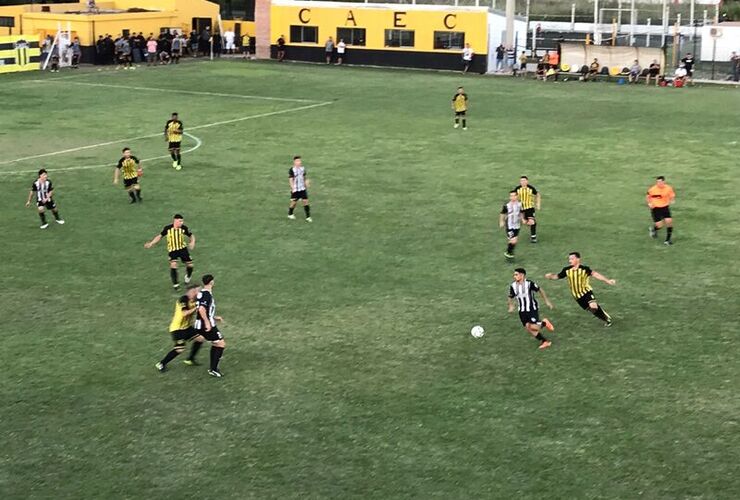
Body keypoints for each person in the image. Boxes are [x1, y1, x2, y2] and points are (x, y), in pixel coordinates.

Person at [544, 252, 615, 327]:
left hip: (586, 292)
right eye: (569, 259)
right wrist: (550, 276)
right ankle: (606, 319)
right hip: (577, 296)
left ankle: (603, 315)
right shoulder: (566, 270)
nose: (569, 261)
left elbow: (596, 274)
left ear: (578, 259)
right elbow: (557, 276)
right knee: (592, 310)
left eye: (572, 259)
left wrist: (608, 280)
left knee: (593, 306)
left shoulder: (585, 269)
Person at [156, 284, 206, 372]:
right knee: (179, 349)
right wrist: (196, 308)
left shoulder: (196, 300)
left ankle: (190, 359)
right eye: (197, 291)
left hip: (187, 328)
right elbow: (184, 313)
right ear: (191, 291)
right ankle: (161, 364)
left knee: (200, 339)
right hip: (177, 329)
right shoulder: (183, 300)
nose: (199, 292)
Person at [144, 214, 196, 289]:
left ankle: (188, 276)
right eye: (180, 221)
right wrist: (151, 243)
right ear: (175, 221)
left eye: (182, 221)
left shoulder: (183, 228)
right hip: (173, 250)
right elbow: (160, 236)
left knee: (190, 265)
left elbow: (191, 235)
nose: (182, 223)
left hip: (182, 249)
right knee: (173, 264)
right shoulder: (168, 228)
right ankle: (176, 284)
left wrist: (192, 242)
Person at [507, 268, 555, 350]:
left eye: (516, 274)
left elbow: (540, 290)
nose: (514, 276)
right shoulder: (513, 286)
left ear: (522, 275)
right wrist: (511, 306)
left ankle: (544, 323)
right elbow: (510, 296)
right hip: (522, 311)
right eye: (514, 274)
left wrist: (547, 301)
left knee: (533, 326)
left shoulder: (529, 284)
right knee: (528, 328)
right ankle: (545, 342)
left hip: (532, 308)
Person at [194, 274, 226, 378]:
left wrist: (215, 317)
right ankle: (213, 369)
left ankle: (213, 367)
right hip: (205, 325)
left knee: (216, 343)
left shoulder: (201, 293)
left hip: (200, 324)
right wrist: (208, 323)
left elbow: (203, 310)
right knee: (221, 344)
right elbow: (201, 309)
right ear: (211, 282)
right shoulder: (207, 294)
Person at [646, 176, 676, 245]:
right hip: (655, 208)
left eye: (660, 182)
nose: (658, 183)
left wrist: (672, 200)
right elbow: (648, 196)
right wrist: (649, 203)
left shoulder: (668, 188)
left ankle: (667, 240)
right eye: (657, 182)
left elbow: (672, 195)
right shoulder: (652, 189)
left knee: (669, 222)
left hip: (665, 207)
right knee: (659, 225)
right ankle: (653, 229)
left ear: (663, 182)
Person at [499, 190, 524, 260]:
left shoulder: (520, 204)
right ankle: (508, 252)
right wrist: (501, 221)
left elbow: (521, 212)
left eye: (514, 196)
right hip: (509, 225)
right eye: (511, 196)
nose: (512, 197)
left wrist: (523, 219)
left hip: (517, 225)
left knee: (514, 240)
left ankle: (510, 252)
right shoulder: (506, 205)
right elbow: (502, 213)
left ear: (517, 196)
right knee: (513, 240)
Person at [515, 176, 540, 243]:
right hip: (521, 209)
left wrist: (538, 203)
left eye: (524, 180)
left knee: (532, 222)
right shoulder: (517, 189)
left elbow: (537, 194)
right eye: (521, 181)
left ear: (527, 181)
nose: (523, 182)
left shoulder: (531, 188)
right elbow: (514, 197)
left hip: (530, 208)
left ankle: (533, 237)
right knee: (525, 222)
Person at [288, 156, 312, 222]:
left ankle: (308, 217)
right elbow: (290, 179)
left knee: (305, 201)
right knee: (294, 203)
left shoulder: (303, 169)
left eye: (300, 161)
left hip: (302, 189)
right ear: (294, 162)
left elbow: (304, 177)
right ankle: (290, 213)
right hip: (296, 189)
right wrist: (292, 188)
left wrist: (306, 183)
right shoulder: (292, 170)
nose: (299, 162)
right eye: (298, 161)